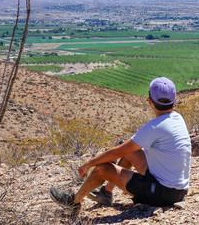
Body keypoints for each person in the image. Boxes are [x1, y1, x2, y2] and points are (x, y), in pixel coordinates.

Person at [50, 77, 191, 214]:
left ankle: (73, 202)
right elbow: (124, 149)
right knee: (127, 148)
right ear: (174, 101)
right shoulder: (178, 118)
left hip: (162, 193)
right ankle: (106, 192)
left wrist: (88, 164)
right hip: (178, 190)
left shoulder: (154, 127)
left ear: (150, 101)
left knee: (102, 168)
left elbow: (116, 153)